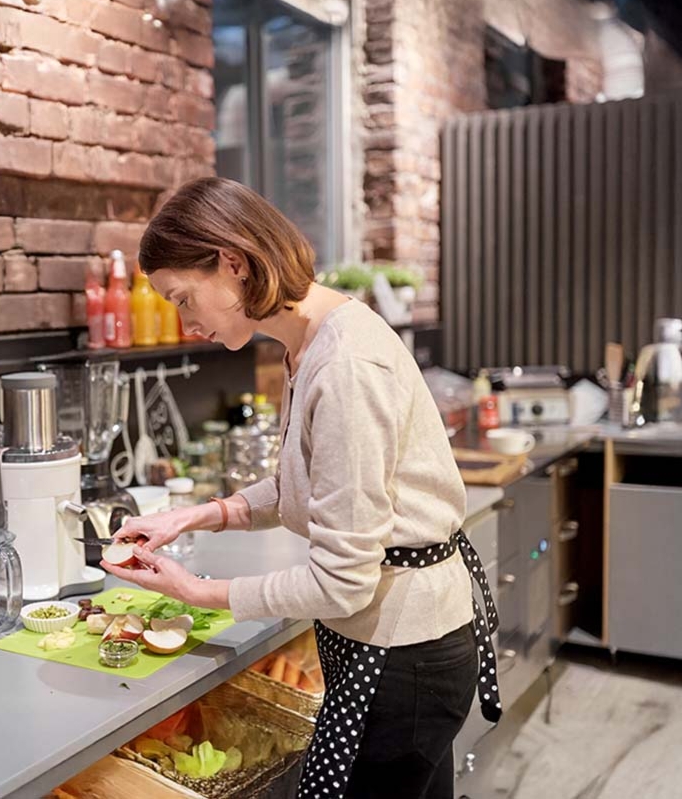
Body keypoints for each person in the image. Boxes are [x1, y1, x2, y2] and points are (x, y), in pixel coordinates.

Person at [102, 177, 500, 799]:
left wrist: (198, 591)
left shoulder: (344, 365)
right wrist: (199, 516)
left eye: (184, 298)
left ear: (232, 263)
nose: (186, 322)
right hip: (385, 642)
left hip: (403, 655)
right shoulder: (309, 343)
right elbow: (302, 480)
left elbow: (344, 581)